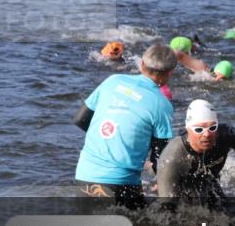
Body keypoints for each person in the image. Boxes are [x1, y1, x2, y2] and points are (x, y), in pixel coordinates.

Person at [73, 44, 178, 209]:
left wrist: (113, 139)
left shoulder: (112, 81)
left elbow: (80, 119)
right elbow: (160, 156)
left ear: (142, 63)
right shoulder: (161, 104)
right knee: (146, 223)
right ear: (170, 72)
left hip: (84, 175)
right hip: (121, 183)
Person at [156, 99, 235, 209]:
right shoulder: (172, 157)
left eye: (212, 127)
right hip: (183, 197)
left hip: (210, 187)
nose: (207, 134)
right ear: (188, 128)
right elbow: (167, 208)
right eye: (199, 129)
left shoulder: (225, 134)